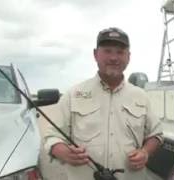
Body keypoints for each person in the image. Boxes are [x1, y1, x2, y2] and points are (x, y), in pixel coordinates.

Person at [44, 27, 163, 180]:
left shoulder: (141, 96)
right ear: (95, 54)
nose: (114, 58)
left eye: (120, 52)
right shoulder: (73, 94)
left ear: (129, 57)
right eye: (107, 51)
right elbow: (51, 136)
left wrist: (145, 152)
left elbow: (156, 134)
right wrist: (63, 152)